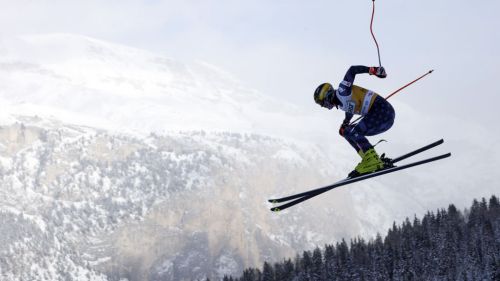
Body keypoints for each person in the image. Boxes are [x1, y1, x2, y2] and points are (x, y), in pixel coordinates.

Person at [313, 65, 395, 177]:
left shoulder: (342, 90)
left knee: (355, 132)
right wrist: (345, 123)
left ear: (328, 95)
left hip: (383, 112)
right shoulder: (342, 104)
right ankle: (368, 158)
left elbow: (352, 70)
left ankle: (373, 160)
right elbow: (350, 109)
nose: (324, 106)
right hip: (381, 118)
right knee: (347, 132)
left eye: (322, 103)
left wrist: (373, 70)